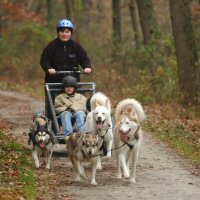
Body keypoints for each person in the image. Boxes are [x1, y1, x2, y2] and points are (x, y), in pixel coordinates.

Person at [40, 19, 92, 120]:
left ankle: (79, 127)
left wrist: (87, 67)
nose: (64, 34)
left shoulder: (76, 46)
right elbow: (44, 61)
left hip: (73, 82)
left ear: (71, 33)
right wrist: (49, 69)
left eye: (67, 31)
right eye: (62, 31)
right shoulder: (51, 46)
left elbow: (84, 58)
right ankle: (53, 128)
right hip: (54, 82)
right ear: (58, 32)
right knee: (54, 107)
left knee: (79, 105)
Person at [54, 76, 87, 140]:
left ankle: (80, 132)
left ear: (74, 88)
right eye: (67, 87)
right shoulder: (60, 97)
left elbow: (84, 106)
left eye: (71, 87)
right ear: (63, 88)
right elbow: (57, 107)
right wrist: (66, 109)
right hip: (65, 113)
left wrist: (73, 107)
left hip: (77, 112)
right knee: (65, 114)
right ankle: (68, 134)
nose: (69, 89)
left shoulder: (80, 97)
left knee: (80, 113)